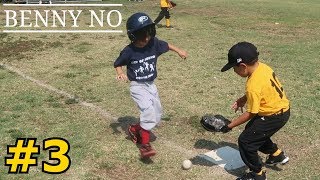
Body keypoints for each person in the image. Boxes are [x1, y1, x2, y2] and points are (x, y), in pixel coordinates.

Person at [114, 12, 187, 159]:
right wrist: (120, 73)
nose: (146, 39)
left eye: (149, 34)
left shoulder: (153, 43)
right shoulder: (129, 51)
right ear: (133, 36)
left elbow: (166, 45)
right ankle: (145, 146)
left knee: (156, 114)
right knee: (147, 111)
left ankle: (134, 129)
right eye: (142, 36)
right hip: (137, 86)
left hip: (150, 85)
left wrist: (179, 50)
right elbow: (118, 63)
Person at [220, 42, 290, 180]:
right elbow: (261, 90)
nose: (234, 71)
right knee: (253, 132)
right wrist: (244, 98)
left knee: (246, 141)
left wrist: (229, 126)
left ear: (243, 66)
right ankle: (276, 155)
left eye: (234, 68)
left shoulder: (252, 84)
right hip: (282, 110)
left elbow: (250, 113)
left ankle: (256, 174)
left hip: (273, 116)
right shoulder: (262, 67)